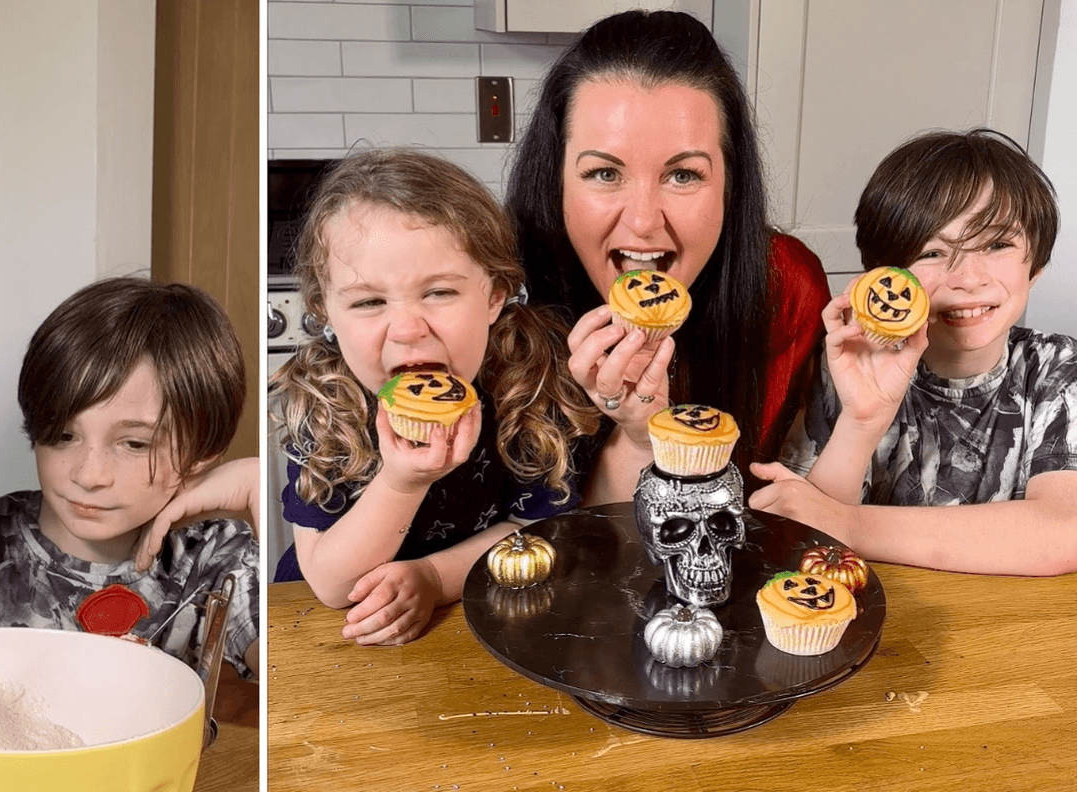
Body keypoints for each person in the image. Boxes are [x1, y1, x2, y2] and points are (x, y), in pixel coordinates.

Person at [270, 149, 598, 646]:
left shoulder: (525, 389)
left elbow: (536, 530)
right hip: (324, 637)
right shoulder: (321, 406)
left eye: (439, 292)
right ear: (325, 312)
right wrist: (402, 482)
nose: (406, 329)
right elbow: (331, 584)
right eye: (369, 302)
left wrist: (433, 577)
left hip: (478, 620)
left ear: (494, 295)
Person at [506, 9, 830, 502]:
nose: (642, 222)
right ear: (556, 181)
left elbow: (777, 510)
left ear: (729, 183)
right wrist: (636, 435)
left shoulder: (785, 285)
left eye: (683, 175)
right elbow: (545, 553)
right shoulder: (502, 302)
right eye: (603, 174)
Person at [752, 129, 1077, 577]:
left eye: (998, 244)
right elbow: (799, 534)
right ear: (886, 278)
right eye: (932, 251)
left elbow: (1063, 530)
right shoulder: (846, 367)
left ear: (1035, 267)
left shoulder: (1056, 370)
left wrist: (848, 525)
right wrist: (862, 420)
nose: (968, 277)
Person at [0, 278, 260, 679]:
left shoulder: (214, 556)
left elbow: (285, 666)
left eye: (135, 444)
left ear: (201, 453)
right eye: (63, 435)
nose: (89, 475)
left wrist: (255, 487)